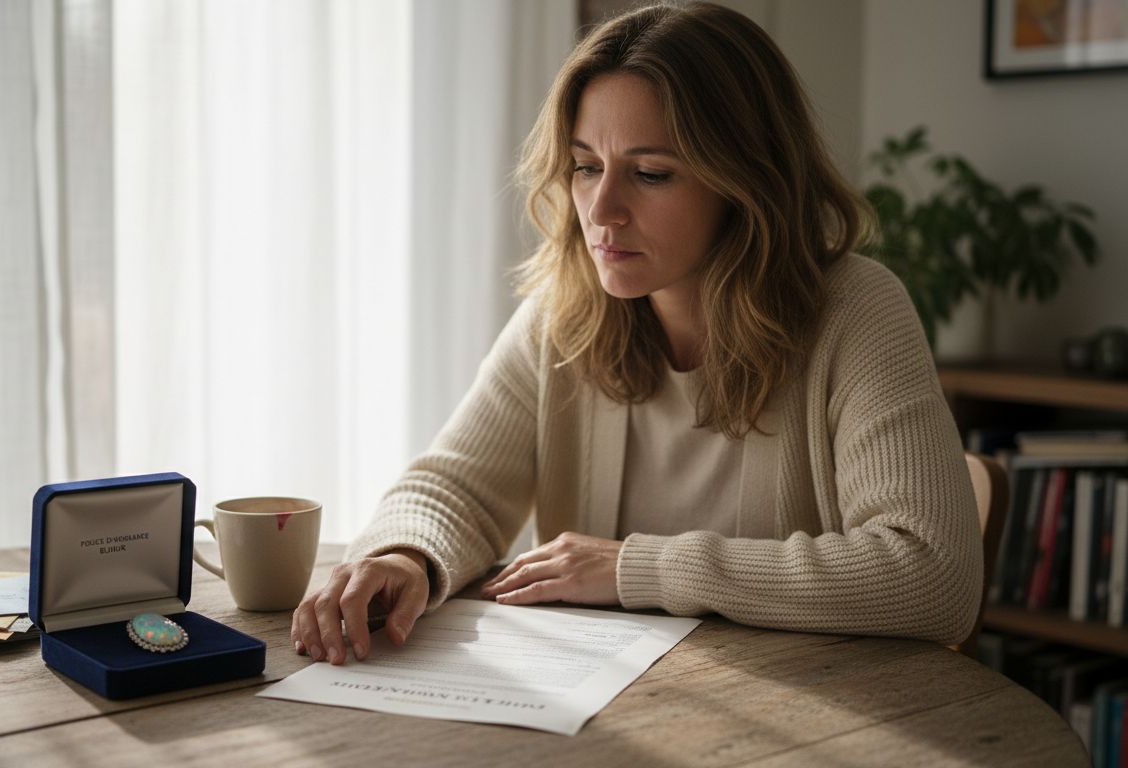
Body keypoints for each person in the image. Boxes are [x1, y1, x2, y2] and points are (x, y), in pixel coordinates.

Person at [291, 1, 982, 666]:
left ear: (747, 182)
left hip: (813, 719)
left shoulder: (858, 313)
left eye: (650, 173)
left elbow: (931, 577)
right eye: (587, 166)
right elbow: (455, 489)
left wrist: (633, 567)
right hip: (607, 713)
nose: (601, 210)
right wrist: (403, 555)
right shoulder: (566, 312)